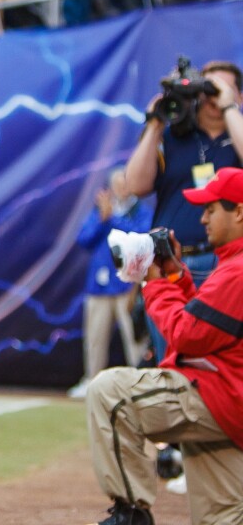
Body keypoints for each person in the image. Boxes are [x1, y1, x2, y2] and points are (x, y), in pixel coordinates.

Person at [84, 168, 243, 525]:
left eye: (211, 209)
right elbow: (207, 327)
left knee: (110, 392)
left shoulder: (238, 270)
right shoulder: (233, 263)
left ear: (239, 212)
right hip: (229, 405)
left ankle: (131, 515)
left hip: (221, 395)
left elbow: (186, 334)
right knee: (223, 517)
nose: (202, 219)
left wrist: (154, 283)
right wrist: (175, 276)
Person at [126, 60, 243, 361]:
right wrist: (156, 122)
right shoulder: (174, 136)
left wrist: (230, 109)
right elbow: (135, 184)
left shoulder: (237, 135)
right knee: (171, 353)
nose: (212, 96)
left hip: (228, 267)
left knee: (221, 360)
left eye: (222, 88)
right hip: (175, 260)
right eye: (207, 88)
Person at [68, 169, 153, 398]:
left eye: (125, 183)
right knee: (95, 338)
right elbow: (84, 239)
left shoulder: (141, 212)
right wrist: (102, 219)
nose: (121, 188)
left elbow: (142, 239)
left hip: (128, 286)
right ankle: (91, 381)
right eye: (117, 184)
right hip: (99, 287)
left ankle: (141, 383)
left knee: (135, 338)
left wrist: (113, 218)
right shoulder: (100, 210)